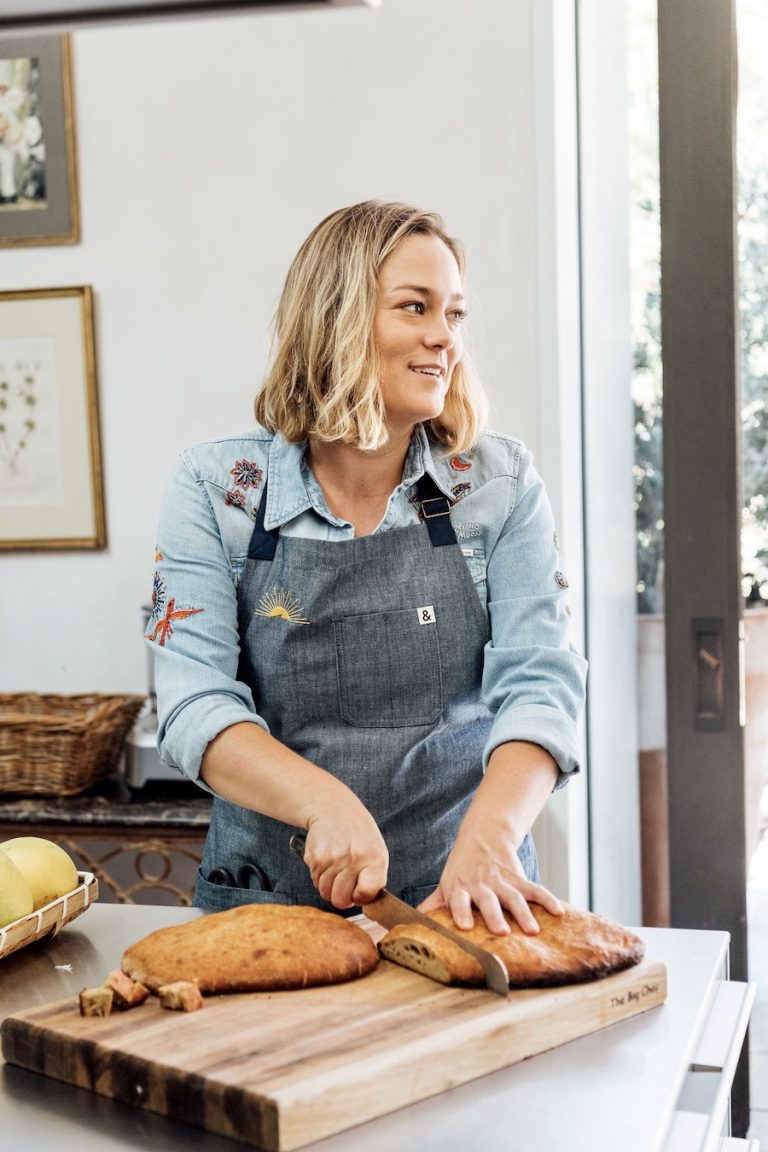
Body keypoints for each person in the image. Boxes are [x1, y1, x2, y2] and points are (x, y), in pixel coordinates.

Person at [147, 199, 587, 937]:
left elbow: (543, 684)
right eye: (415, 307)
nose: (444, 338)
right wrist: (324, 801)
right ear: (336, 319)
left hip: (467, 901)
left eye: (454, 314)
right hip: (265, 906)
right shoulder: (217, 490)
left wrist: (489, 839)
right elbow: (194, 705)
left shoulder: (499, 485)